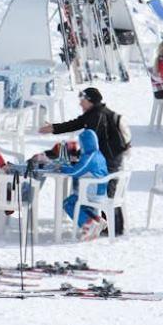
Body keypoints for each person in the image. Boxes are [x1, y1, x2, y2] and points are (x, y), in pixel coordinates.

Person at [40, 86, 131, 235]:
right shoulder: (94, 113)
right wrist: (53, 128)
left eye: (82, 100)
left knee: (104, 194)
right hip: (107, 160)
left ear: (90, 101)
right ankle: (105, 225)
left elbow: (91, 141)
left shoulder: (97, 116)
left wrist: (76, 157)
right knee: (102, 193)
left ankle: (112, 228)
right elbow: (75, 124)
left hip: (109, 161)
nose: (80, 104)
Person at [59, 128, 112, 242]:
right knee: (78, 203)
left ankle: (88, 224)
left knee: (69, 203)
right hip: (100, 192)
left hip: (93, 193)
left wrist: (61, 168)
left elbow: (75, 172)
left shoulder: (90, 157)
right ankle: (97, 220)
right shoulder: (98, 154)